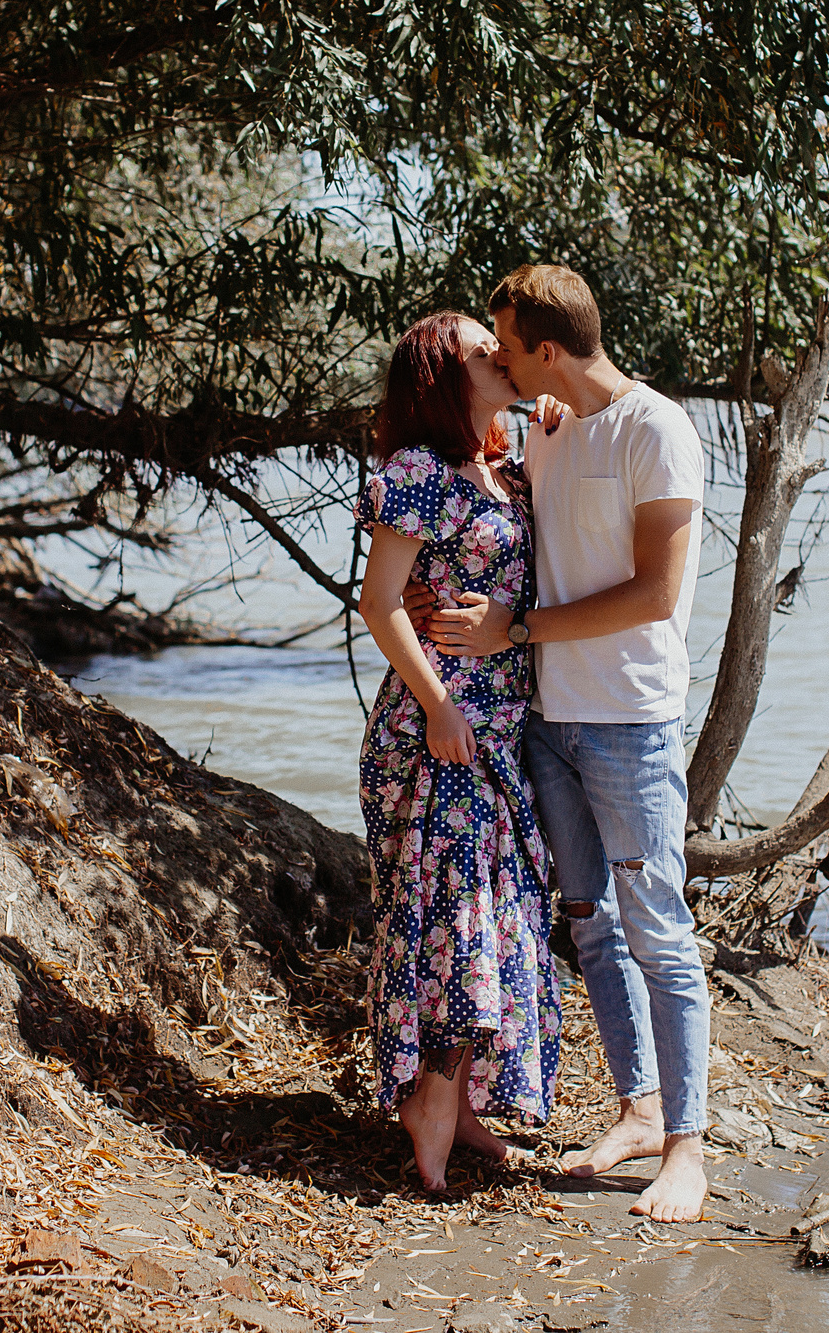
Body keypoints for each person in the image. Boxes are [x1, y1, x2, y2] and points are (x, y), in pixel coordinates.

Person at [425, 264, 711, 1223]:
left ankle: (686, 1149)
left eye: (507, 341)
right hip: (549, 721)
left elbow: (654, 596)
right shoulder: (547, 428)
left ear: (547, 347)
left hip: (631, 719)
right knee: (590, 921)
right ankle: (635, 1107)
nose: (498, 356)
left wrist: (516, 629)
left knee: (658, 928)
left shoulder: (658, 429)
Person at [352, 311, 561, 1194]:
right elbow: (379, 601)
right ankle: (429, 1104)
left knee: (498, 911)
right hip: (437, 731)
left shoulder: (503, 464)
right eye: (487, 350)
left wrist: (555, 417)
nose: (503, 356)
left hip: (501, 728)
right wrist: (438, 704)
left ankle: (459, 1097)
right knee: (455, 917)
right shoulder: (418, 474)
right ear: (446, 372)